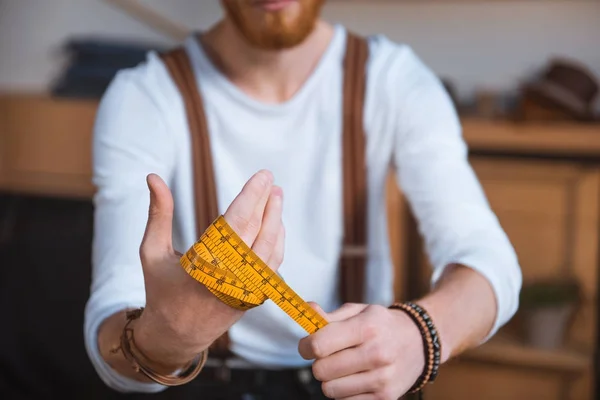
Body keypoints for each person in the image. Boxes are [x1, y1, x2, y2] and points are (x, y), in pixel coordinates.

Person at [84, 0, 522, 399]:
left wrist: (419, 334)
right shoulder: (144, 96)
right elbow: (110, 333)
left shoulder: (394, 80)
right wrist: (164, 340)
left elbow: (490, 260)